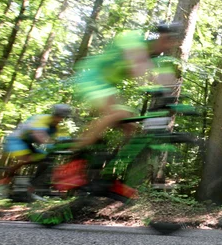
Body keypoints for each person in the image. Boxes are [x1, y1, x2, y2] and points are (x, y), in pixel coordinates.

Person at [72, 22, 183, 150]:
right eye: (168, 40)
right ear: (161, 37)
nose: (167, 46)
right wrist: (159, 89)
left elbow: (156, 75)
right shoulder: (134, 40)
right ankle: (74, 150)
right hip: (93, 79)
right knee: (119, 114)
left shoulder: (150, 54)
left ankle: (107, 162)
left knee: (130, 124)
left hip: (105, 85)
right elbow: (139, 67)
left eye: (171, 43)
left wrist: (169, 93)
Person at [0, 104, 72, 192]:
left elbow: (64, 140)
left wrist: (71, 145)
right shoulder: (41, 119)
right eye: (59, 116)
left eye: (62, 117)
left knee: (44, 159)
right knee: (27, 158)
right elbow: (39, 135)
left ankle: (30, 185)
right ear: (55, 114)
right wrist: (52, 142)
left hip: (27, 143)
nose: (60, 119)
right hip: (16, 141)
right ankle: (4, 181)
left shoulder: (56, 127)